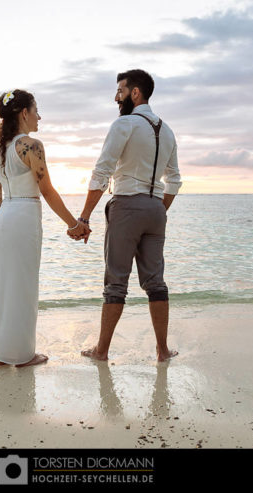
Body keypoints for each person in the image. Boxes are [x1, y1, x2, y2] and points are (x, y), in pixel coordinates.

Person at [72, 69, 182, 362]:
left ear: (136, 92)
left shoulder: (125, 124)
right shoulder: (168, 130)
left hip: (126, 207)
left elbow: (102, 171)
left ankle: (102, 351)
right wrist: (158, 208)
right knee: (155, 282)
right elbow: (175, 180)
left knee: (116, 282)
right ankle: (162, 350)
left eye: (120, 90)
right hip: (156, 209)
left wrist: (83, 218)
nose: (116, 96)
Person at [0, 89, 90, 367]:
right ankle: (22, 355)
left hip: (3, 220)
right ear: (24, 113)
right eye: (36, 110)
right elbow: (47, 190)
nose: (40, 116)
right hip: (25, 216)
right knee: (24, 286)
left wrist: (1, 224)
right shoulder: (31, 145)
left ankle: (3, 354)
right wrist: (74, 224)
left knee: (4, 286)